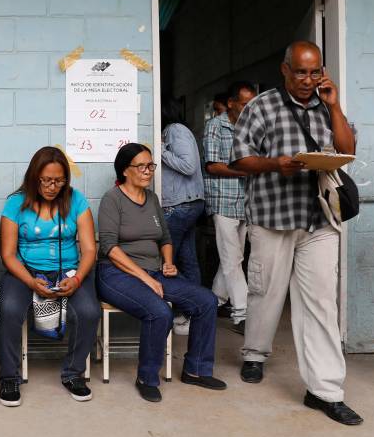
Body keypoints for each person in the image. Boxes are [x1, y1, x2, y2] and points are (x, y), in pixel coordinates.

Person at [231, 41, 362, 426]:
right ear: (285, 70)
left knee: (321, 303)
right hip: (272, 215)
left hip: (318, 218)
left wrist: (334, 105)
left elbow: (347, 149)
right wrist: (275, 164)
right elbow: (240, 157)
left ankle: (325, 390)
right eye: (301, 72)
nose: (308, 80)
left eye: (315, 71)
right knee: (266, 292)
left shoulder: (327, 105)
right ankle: (255, 353)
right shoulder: (261, 106)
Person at [96, 143, 225, 402]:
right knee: (159, 311)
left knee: (206, 301)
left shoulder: (152, 198)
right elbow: (110, 248)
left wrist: (168, 262)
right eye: (141, 166)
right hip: (115, 274)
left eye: (150, 165)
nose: (148, 171)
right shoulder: (113, 199)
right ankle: (147, 377)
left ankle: (196, 370)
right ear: (125, 171)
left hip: (155, 271)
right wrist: (144, 278)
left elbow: (165, 238)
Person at [0, 146, 100, 406]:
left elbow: (89, 249)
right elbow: (8, 254)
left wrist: (76, 280)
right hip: (24, 270)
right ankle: (9, 376)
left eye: (59, 180)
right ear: (34, 177)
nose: (53, 186)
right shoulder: (15, 204)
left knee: (89, 312)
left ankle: (74, 373)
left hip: (69, 270)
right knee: (8, 310)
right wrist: (30, 281)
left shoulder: (76, 200)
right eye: (46, 180)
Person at [203, 81, 257, 335]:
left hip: (247, 201)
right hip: (223, 201)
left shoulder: (252, 127)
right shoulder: (215, 126)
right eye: (246, 104)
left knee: (233, 258)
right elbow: (212, 166)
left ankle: (212, 303)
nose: (250, 109)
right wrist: (245, 170)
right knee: (233, 260)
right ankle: (243, 314)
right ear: (232, 103)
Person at [160, 99, 207, 335]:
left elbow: (188, 166)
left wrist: (160, 151)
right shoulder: (179, 130)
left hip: (181, 204)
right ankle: (193, 313)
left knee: (167, 260)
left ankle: (177, 312)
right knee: (188, 260)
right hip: (188, 203)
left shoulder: (175, 130)